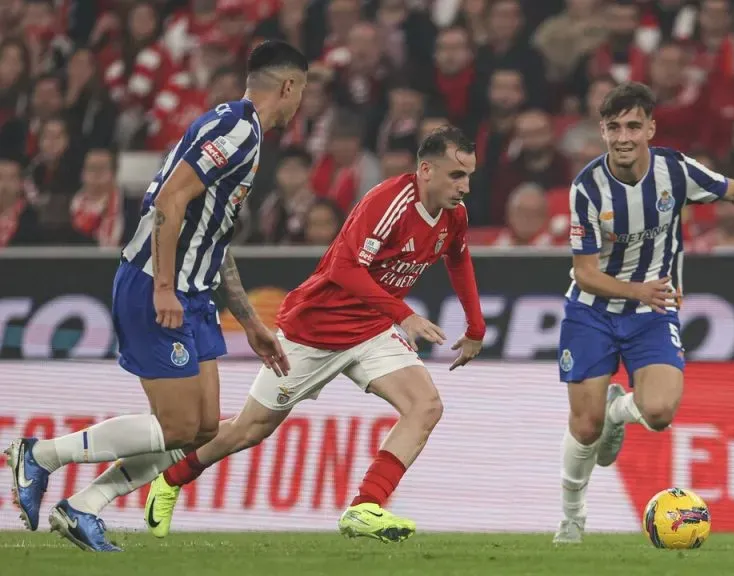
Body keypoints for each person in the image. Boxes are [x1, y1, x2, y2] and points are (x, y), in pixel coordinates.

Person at [4, 40, 308, 552]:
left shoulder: (242, 133)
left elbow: (213, 235)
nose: (301, 103)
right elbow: (170, 200)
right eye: (302, 91)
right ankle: (41, 455)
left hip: (194, 291)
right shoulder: (236, 127)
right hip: (155, 282)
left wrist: (251, 320)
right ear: (288, 86)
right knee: (180, 424)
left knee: (204, 429)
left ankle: (83, 507)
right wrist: (165, 286)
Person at [143, 125, 486, 543]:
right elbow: (344, 269)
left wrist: (475, 326)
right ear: (427, 170)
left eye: (468, 176)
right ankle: (171, 478)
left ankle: (365, 506)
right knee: (251, 429)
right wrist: (404, 315)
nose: (465, 187)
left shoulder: (454, 215)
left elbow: (458, 258)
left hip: (371, 329)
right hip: (315, 329)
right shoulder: (388, 202)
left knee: (426, 406)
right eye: (456, 175)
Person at [554, 82, 734, 544]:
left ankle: (621, 412)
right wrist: (639, 290)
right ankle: (572, 517)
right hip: (593, 312)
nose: (623, 137)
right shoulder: (587, 187)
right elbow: (585, 274)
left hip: (651, 313)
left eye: (633, 126)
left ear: (650, 129)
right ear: (602, 131)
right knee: (584, 425)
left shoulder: (674, 170)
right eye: (614, 127)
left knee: (658, 413)